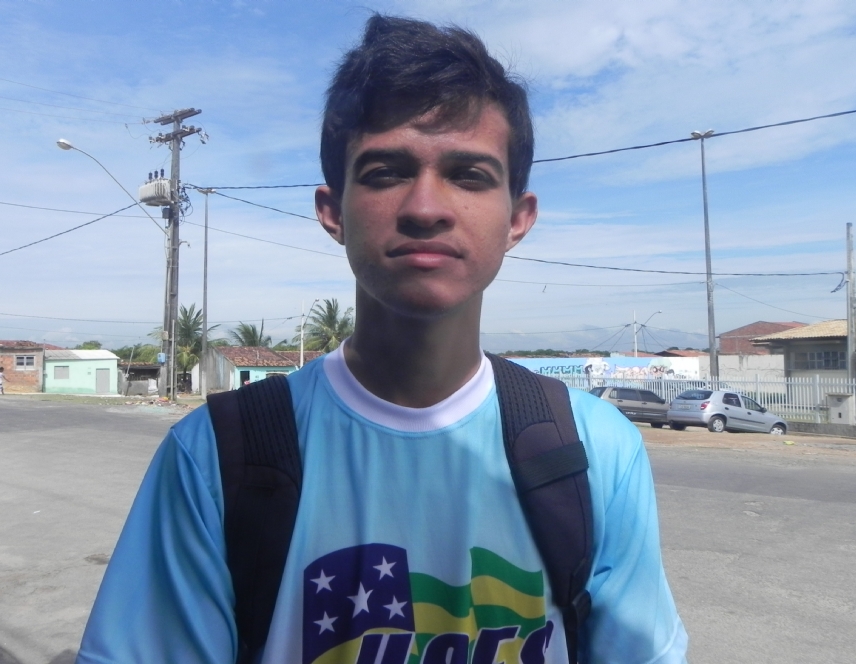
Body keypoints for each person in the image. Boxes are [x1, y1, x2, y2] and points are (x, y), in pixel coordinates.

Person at [77, 14, 687, 664]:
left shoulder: (596, 451)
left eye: (469, 174)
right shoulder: (212, 459)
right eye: (385, 172)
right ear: (331, 211)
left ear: (518, 217)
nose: (426, 208)